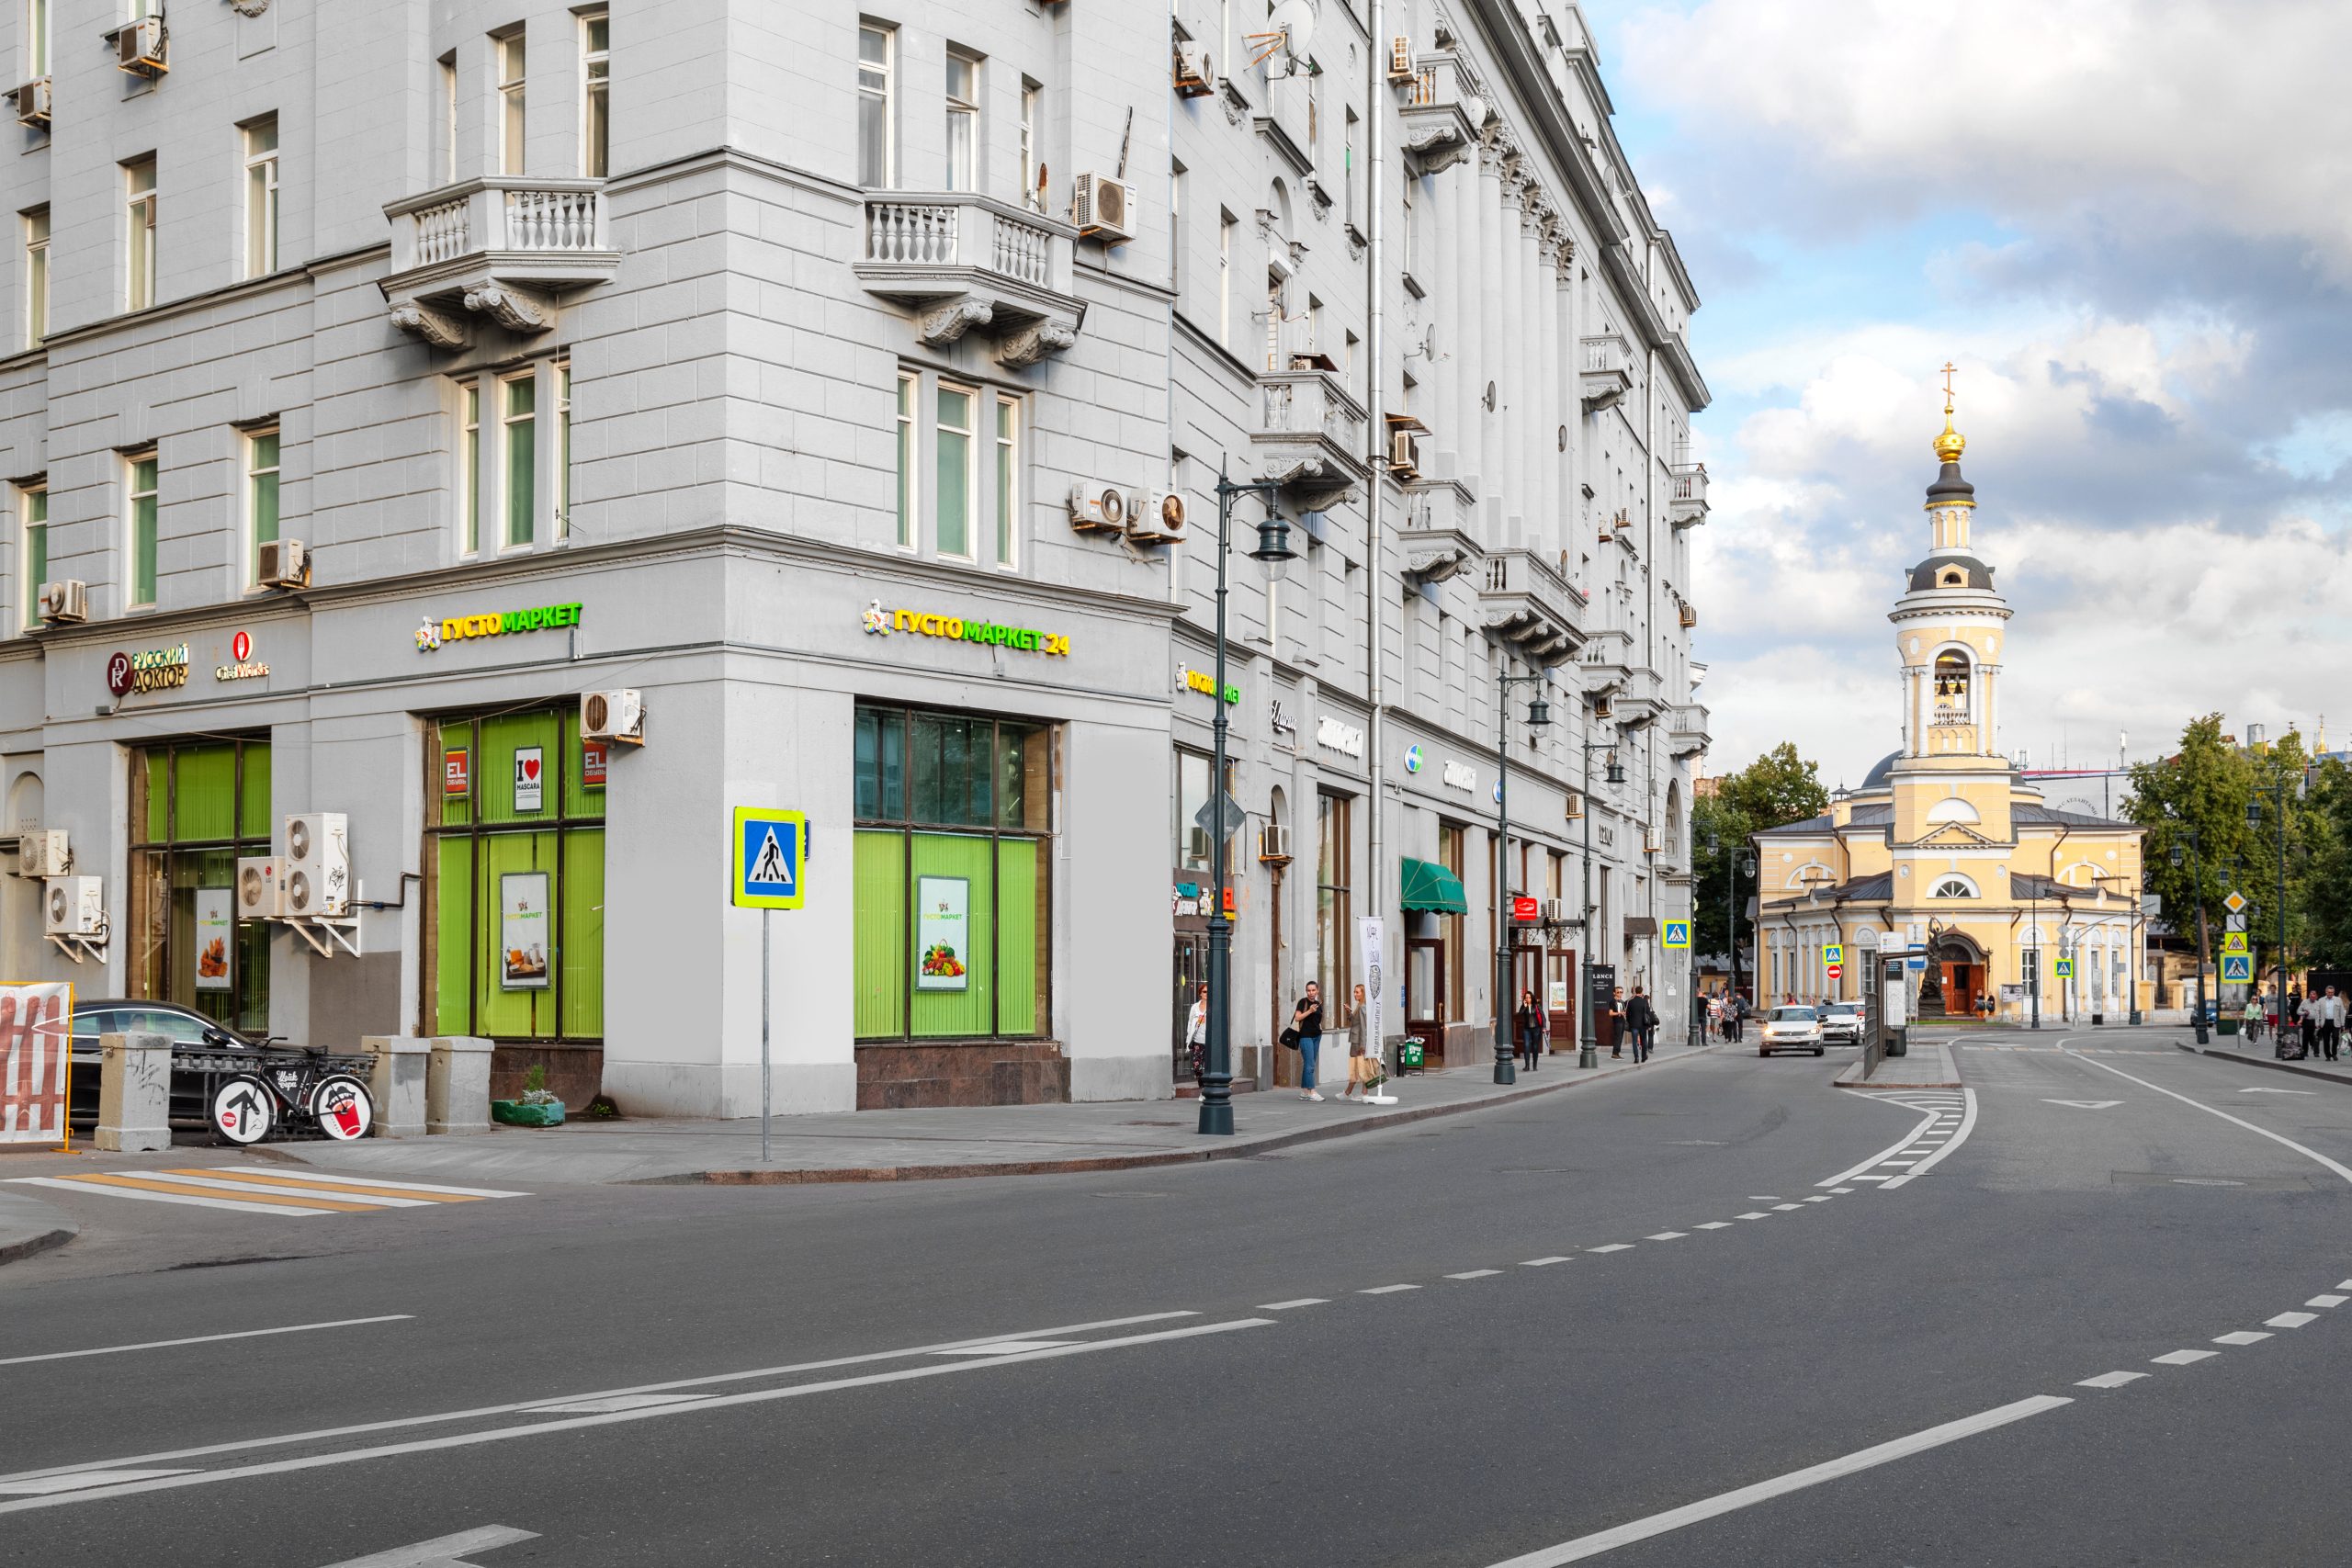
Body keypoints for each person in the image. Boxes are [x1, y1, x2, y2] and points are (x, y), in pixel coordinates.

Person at [1291, 981, 1325, 1101]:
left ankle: (1304, 1091)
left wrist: (1320, 1028)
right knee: (1310, 1065)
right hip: (1305, 1036)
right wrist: (1309, 1011)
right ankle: (1312, 1092)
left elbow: (1318, 1019)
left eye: (1313, 990)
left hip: (1317, 1036)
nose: (1311, 993)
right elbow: (1297, 1018)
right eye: (1308, 990)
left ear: (1317, 990)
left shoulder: (1318, 1003)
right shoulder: (1303, 1002)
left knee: (1310, 1064)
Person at [1342, 982, 1376, 1100]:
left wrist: (1363, 1044)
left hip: (1358, 1042)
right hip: (1357, 1041)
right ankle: (1361, 1092)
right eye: (1354, 992)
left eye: (1357, 992)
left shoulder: (1362, 1007)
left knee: (1357, 1067)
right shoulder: (1360, 1006)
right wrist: (1349, 1012)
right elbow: (1356, 1021)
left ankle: (1349, 1092)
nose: (1355, 994)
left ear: (1363, 994)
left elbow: (1363, 1027)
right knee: (1361, 1067)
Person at [1513, 987, 1544, 1072]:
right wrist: (1524, 1006)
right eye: (1526, 997)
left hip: (1536, 1029)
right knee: (1526, 1046)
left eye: (1529, 997)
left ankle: (1535, 1065)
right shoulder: (1524, 1006)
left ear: (1532, 998)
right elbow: (1520, 1014)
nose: (1528, 999)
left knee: (1535, 1047)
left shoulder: (1537, 1006)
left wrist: (1544, 1027)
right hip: (1526, 1029)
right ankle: (1527, 1066)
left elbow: (1543, 1017)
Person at [1182, 982, 1207, 1088]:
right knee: (1197, 1067)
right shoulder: (1195, 1007)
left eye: (1208, 992)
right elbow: (1190, 1022)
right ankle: (1202, 1089)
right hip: (1198, 1041)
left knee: (1209, 1068)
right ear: (1200, 993)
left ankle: (1208, 1089)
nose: (1207, 994)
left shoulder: (1212, 1006)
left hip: (1209, 1041)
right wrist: (1189, 1037)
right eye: (1205, 992)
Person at [2313, 986, 2345, 1063]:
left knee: (2335, 1037)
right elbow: (2317, 1012)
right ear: (2326, 992)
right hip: (2325, 1022)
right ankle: (2328, 1055)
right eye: (2329, 992)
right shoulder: (2321, 1000)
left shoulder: (2338, 999)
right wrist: (2317, 1023)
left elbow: (2342, 1012)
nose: (2330, 994)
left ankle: (2334, 1054)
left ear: (2334, 992)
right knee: (2326, 1040)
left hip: (2335, 1022)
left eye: (2332, 992)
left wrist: (2342, 1023)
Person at [1607, 986, 1628, 1059]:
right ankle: (1614, 1053)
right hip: (1617, 1022)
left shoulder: (1622, 1002)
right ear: (1614, 993)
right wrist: (1619, 1013)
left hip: (1622, 1021)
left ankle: (1617, 1053)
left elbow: (1624, 1011)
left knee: (1620, 1037)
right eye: (1618, 992)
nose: (1620, 993)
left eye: (1621, 992)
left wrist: (1624, 1013)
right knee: (1617, 1037)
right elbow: (1610, 1013)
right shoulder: (1612, 1002)